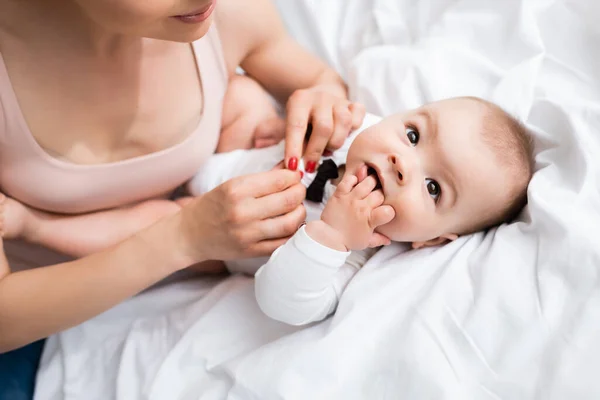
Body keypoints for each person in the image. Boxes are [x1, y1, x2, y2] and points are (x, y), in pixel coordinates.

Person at [0, 0, 366, 395]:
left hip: (186, 294)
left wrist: (324, 106)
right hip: (34, 323)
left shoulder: (227, 14)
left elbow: (317, 78)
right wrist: (183, 238)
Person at [187, 96, 534, 326]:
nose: (402, 163)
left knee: (163, 223)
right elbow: (319, 106)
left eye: (433, 188)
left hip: (209, 233)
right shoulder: (358, 129)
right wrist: (315, 115)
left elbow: (282, 303)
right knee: (239, 95)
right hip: (232, 146)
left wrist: (332, 238)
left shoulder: (357, 253)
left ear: (432, 240)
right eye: (413, 135)